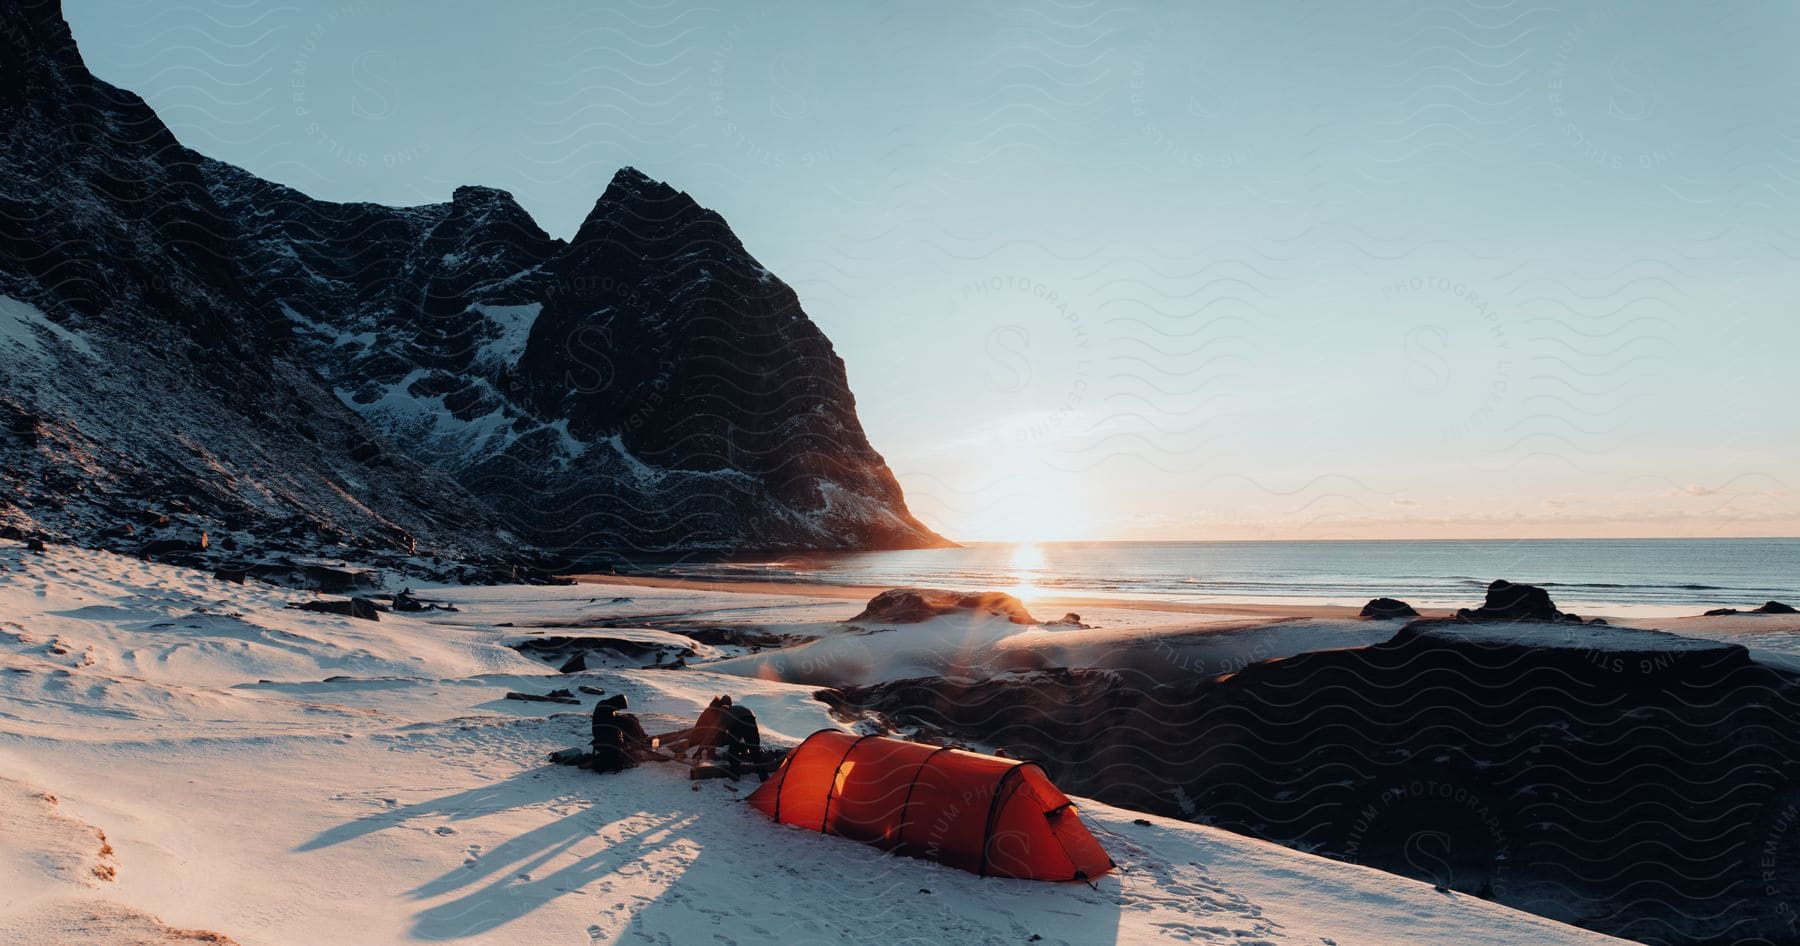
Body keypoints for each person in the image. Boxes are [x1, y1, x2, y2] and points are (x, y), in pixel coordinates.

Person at [589, 694, 649, 774]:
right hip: (604, 734)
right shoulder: (605, 707)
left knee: (629, 720)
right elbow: (612, 721)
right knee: (629, 722)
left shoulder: (604, 704)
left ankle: (640, 739)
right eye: (619, 708)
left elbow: (611, 718)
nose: (619, 709)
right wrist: (626, 719)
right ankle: (640, 740)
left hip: (601, 732)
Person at [719, 698, 764, 780]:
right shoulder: (737, 708)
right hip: (751, 720)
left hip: (738, 721)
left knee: (733, 749)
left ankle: (735, 774)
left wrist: (724, 740)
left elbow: (725, 731)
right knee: (755, 749)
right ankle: (763, 775)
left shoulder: (724, 714)